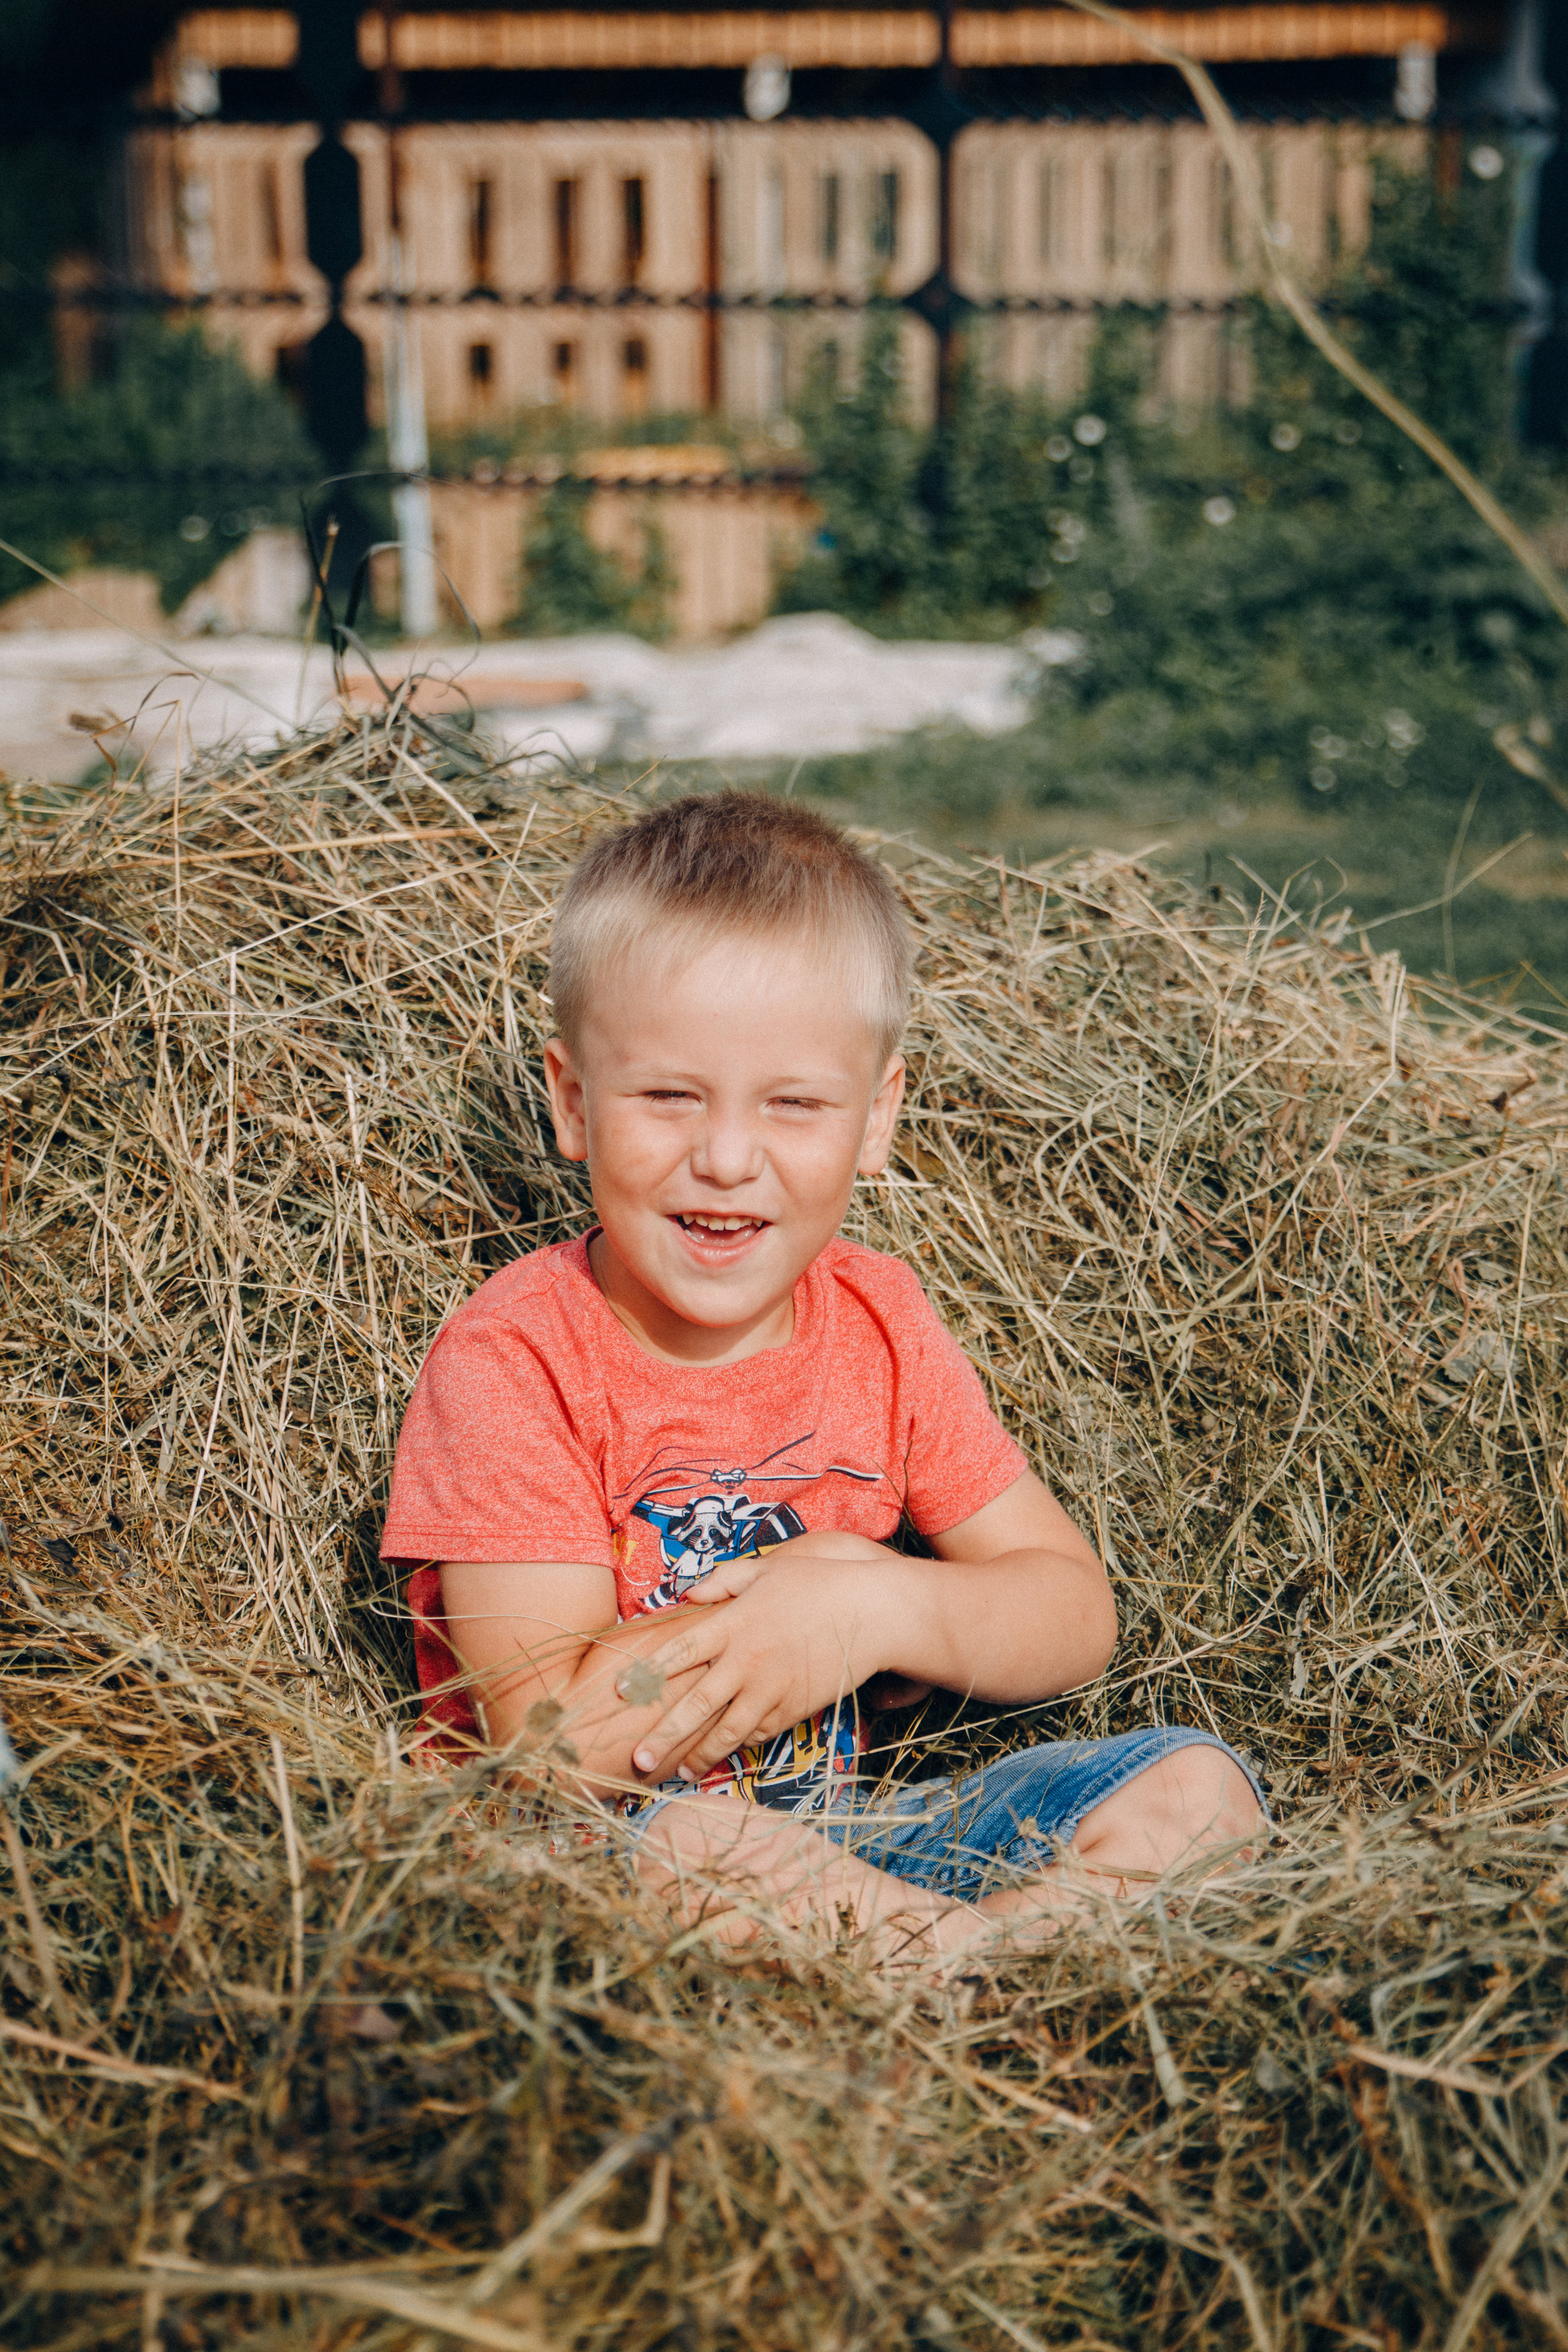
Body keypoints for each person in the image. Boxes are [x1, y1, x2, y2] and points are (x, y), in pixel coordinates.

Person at [380, 793, 1262, 1964]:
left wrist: (872, 1605)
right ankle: (991, 1970)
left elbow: (1070, 1613)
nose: (730, 1157)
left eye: (794, 1103)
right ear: (574, 1103)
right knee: (700, 1846)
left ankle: (954, 1960)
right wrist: (788, 1605)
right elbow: (550, 1740)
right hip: (599, 1869)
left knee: (1197, 1789)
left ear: (876, 1116)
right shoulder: (518, 1359)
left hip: (845, 1847)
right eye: (668, 1096)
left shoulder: (879, 1322)